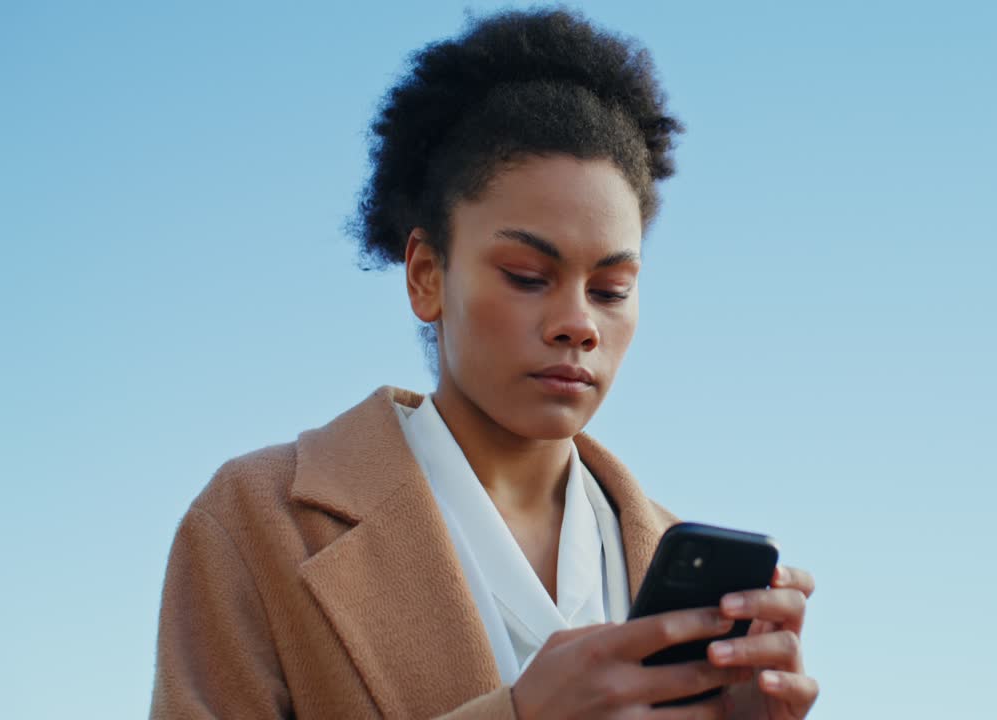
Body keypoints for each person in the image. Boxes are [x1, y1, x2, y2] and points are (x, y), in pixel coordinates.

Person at [150, 8, 818, 719]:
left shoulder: (667, 562)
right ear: (426, 275)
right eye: (528, 276)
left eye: (611, 290)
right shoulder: (256, 523)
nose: (577, 325)